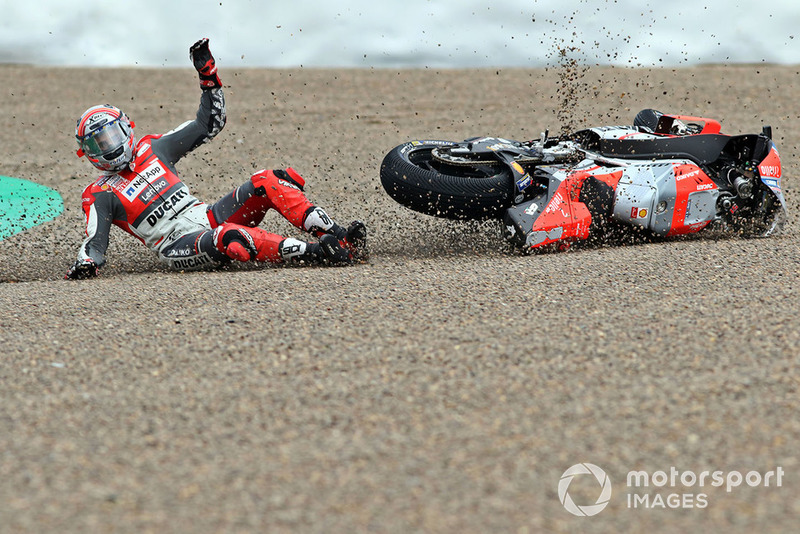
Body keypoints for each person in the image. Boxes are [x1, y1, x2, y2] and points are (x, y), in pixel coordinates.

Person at [65, 38, 366, 280]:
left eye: (112, 136)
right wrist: (86, 263)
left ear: (126, 127)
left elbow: (207, 124)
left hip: (208, 216)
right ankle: (318, 253)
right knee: (230, 237)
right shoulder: (98, 194)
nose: (109, 147)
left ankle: (339, 237)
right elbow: (95, 242)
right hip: (178, 246)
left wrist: (208, 76)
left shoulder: (152, 148)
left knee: (269, 179)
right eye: (98, 143)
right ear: (87, 153)